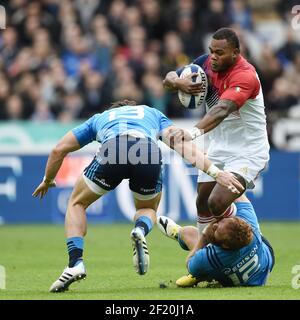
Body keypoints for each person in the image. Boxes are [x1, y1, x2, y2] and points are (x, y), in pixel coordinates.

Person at [32, 99, 244, 293]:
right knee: (148, 209)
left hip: (113, 148)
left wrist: (48, 179)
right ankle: (141, 230)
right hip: (147, 149)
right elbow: (182, 145)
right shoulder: (152, 113)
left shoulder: (101, 118)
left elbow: (59, 149)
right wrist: (216, 172)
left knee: (76, 203)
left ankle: (75, 263)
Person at [163, 27, 270, 235]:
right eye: (211, 50)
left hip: (248, 151)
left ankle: (254, 239)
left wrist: (192, 133)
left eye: (219, 53)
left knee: (217, 202)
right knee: (202, 201)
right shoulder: (204, 64)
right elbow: (167, 79)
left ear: (235, 53)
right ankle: (204, 257)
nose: (213, 57)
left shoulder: (245, 76)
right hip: (219, 146)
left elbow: (222, 110)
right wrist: (178, 82)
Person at [157, 194, 275, 287]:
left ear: (225, 246)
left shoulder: (211, 257)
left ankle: (202, 275)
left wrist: (204, 236)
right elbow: (238, 194)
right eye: (220, 222)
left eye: (217, 230)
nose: (214, 226)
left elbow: (189, 262)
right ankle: (204, 273)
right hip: (266, 262)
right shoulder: (248, 222)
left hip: (229, 276)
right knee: (254, 234)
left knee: (186, 232)